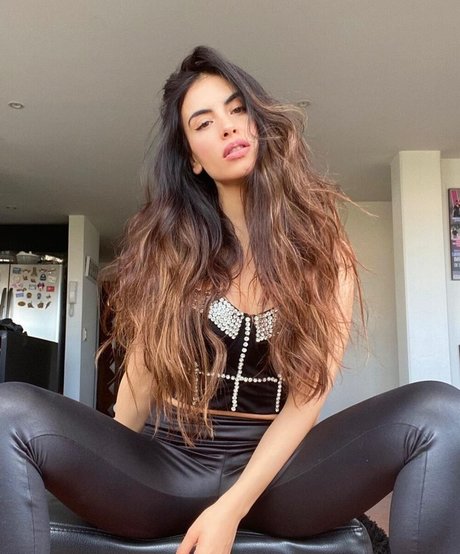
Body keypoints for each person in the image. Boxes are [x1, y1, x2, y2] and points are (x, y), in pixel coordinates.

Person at [1, 46, 460, 554]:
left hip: (279, 476)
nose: (227, 127)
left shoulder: (324, 250)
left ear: (258, 122)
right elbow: (139, 382)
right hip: (167, 465)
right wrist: (101, 462)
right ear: (193, 159)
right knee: (9, 409)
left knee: (440, 412)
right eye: (204, 123)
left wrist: (232, 506)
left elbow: (308, 397)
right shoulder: (171, 249)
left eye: (238, 109)